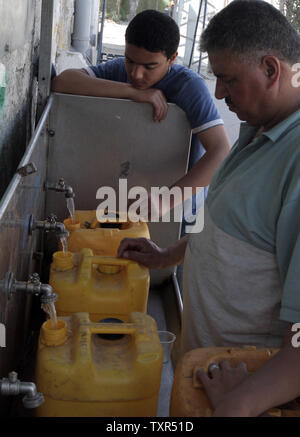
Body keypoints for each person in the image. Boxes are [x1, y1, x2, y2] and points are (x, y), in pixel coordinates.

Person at [117, 0, 300, 416]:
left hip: (245, 392)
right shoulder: (260, 129)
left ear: (271, 70)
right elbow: (225, 225)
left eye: (227, 79)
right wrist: (167, 255)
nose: (218, 93)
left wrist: (240, 401)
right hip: (208, 371)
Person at [51, 9, 230, 217]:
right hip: (125, 189)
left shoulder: (189, 86)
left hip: (178, 206)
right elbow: (62, 82)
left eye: (149, 66)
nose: (136, 73)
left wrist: (166, 201)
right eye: (130, 61)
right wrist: (131, 92)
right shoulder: (119, 71)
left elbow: (221, 150)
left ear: (172, 59)